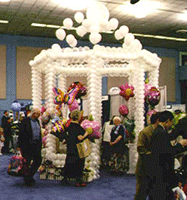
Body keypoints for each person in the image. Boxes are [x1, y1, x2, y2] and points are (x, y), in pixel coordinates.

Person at [149, 111, 187, 200]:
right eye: (171, 122)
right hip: (162, 172)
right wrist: (180, 145)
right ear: (168, 121)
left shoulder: (159, 131)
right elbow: (168, 152)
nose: (172, 124)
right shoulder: (161, 133)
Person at [134, 112, 160, 200]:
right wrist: (153, 155)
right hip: (144, 167)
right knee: (141, 192)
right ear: (158, 121)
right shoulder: (145, 132)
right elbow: (140, 148)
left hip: (155, 167)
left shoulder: (160, 131)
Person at [62, 109, 89, 187]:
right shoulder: (78, 128)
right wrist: (86, 133)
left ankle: (65, 179)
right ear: (78, 117)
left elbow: (66, 136)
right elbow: (80, 138)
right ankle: (78, 181)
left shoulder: (69, 126)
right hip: (77, 148)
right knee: (79, 164)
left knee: (69, 162)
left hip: (70, 147)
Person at [18, 108, 42, 186]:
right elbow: (21, 134)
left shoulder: (38, 121)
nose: (39, 115)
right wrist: (19, 145)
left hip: (36, 145)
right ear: (33, 113)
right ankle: (27, 178)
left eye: (39, 114)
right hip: (27, 145)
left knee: (38, 160)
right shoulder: (25, 121)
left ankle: (29, 175)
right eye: (37, 113)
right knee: (27, 162)